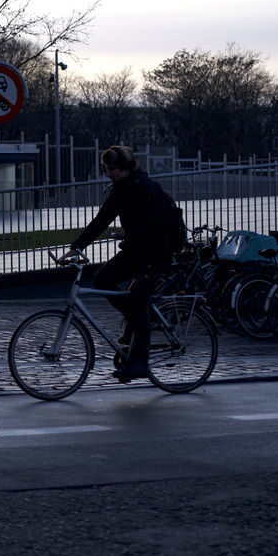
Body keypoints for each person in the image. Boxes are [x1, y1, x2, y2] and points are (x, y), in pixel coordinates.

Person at [62, 146, 183, 382]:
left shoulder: (147, 188)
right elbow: (102, 219)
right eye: (107, 169)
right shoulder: (120, 189)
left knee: (139, 300)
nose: (108, 174)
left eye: (112, 169)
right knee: (102, 278)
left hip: (156, 253)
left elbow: (158, 224)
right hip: (136, 251)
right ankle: (135, 321)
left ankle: (141, 362)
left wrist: (128, 235)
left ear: (126, 168)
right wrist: (77, 246)